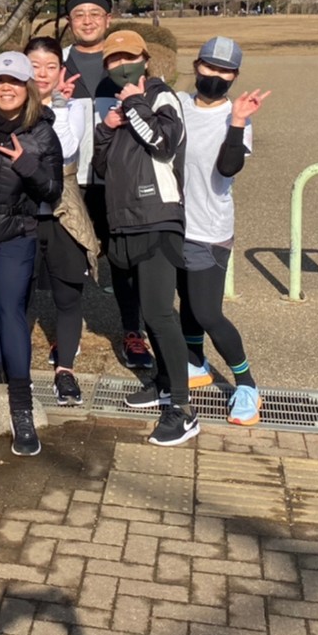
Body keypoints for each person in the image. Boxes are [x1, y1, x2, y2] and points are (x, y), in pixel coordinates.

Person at [92, 29, 197, 446]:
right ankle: (165, 383)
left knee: (158, 312)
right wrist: (106, 127)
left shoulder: (161, 97)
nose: (120, 66)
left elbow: (163, 141)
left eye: (128, 58)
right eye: (112, 62)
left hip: (158, 217)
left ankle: (184, 410)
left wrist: (135, 103)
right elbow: (103, 167)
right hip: (125, 220)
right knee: (149, 311)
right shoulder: (119, 106)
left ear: (145, 59)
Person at [0, 52, 63, 454]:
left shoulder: (41, 133)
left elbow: (53, 191)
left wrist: (27, 165)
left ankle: (21, 410)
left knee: (10, 314)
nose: (7, 88)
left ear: (29, 88)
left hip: (15, 235)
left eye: (16, 81)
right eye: (0, 81)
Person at [178, 37, 271, 426]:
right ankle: (196, 364)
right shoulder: (178, 105)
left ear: (234, 76)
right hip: (173, 224)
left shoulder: (237, 117)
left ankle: (246, 384)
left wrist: (236, 122)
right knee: (185, 304)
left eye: (224, 71)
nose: (214, 76)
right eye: (208, 67)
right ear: (196, 65)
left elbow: (229, 168)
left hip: (209, 229)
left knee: (207, 311)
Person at [59, 0, 152, 372]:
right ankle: (69, 335)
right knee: (72, 259)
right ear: (69, 21)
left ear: (108, 19)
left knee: (124, 262)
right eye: (79, 14)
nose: (87, 21)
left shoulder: (124, 62)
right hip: (72, 178)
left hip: (119, 181)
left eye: (95, 14)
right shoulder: (57, 64)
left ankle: (133, 333)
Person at [24, 35, 100, 406]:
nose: (42, 73)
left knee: (68, 295)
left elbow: (67, 150)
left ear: (61, 70)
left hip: (61, 214)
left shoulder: (70, 108)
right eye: (35, 65)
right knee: (16, 296)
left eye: (50, 66)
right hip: (20, 214)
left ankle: (65, 370)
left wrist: (58, 106)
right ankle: (13, 369)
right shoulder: (7, 103)